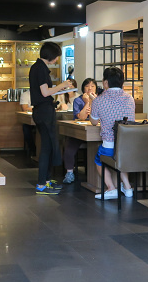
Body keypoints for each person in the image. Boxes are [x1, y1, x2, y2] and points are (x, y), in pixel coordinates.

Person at [30, 41, 73, 195]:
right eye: (56, 56)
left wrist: (59, 88)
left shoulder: (38, 67)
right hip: (44, 112)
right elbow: (45, 92)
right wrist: (62, 86)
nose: (57, 59)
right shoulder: (40, 68)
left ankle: (46, 180)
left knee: (47, 147)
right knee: (46, 148)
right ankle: (42, 184)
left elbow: (45, 91)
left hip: (42, 111)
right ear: (51, 55)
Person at [90, 67, 136, 200]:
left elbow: (94, 122)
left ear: (105, 82)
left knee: (98, 160)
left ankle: (111, 188)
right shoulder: (130, 98)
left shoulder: (99, 100)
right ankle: (127, 187)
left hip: (110, 145)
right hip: (129, 145)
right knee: (121, 158)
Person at [61, 77, 97, 184]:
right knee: (70, 147)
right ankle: (69, 173)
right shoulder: (78, 100)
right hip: (79, 130)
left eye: (92, 86)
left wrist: (94, 102)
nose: (90, 88)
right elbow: (81, 117)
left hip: (95, 131)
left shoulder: (99, 99)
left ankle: (96, 175)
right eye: (87, 86)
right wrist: (87, 103)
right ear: (83, 88)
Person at [19, 87, 36, 157]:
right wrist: (36, 109)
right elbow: (25, 108)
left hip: (41, 118)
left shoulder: (42, 94)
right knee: (26, 128)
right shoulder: (25, 95)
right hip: (30, 119)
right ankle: (32, 149)